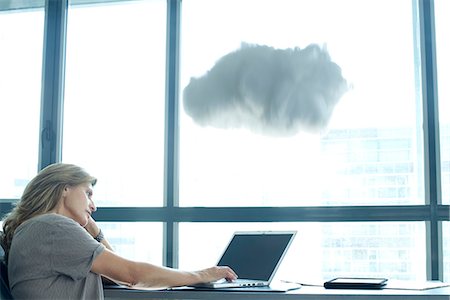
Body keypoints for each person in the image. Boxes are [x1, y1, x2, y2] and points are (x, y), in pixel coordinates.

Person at [0, 163, 237, 299]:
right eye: (88, 194)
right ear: (64, 189)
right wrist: (203, 275)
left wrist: (94, 230)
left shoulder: (35, 230)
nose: (93, 205)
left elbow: (116, 271)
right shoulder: (53, 228)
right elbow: (131, 275)